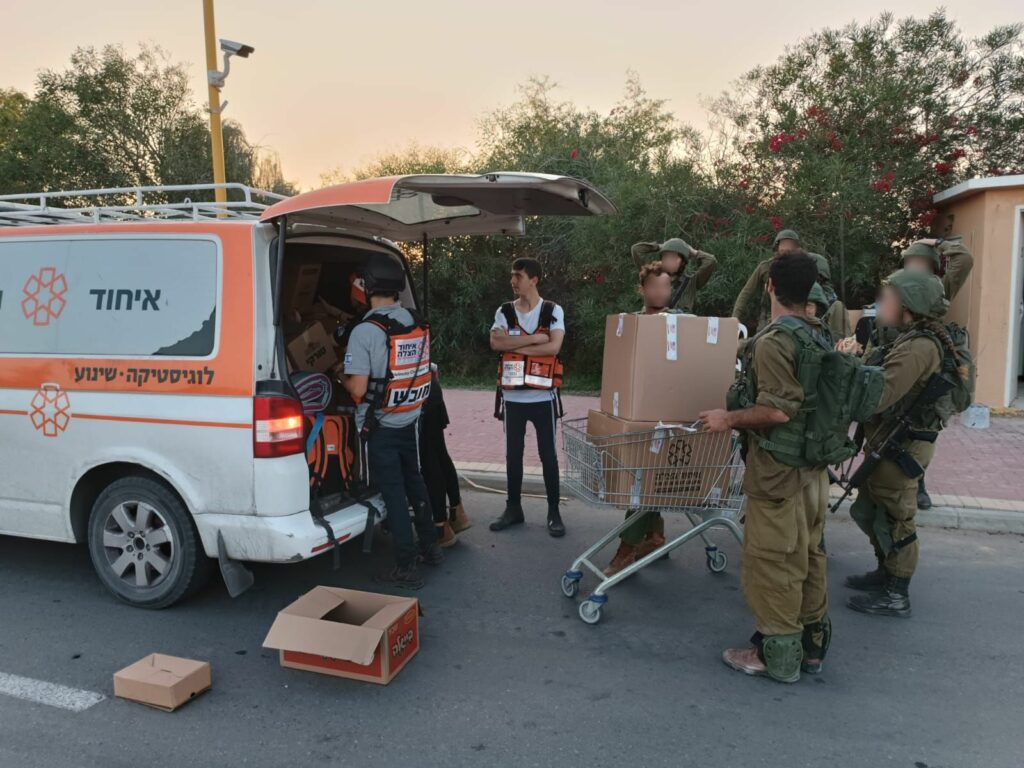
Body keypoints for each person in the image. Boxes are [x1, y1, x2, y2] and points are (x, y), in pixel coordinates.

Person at [700, 250, 830, 684]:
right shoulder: (818, 333)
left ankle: (777, 657)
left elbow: (777, 411)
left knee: (773, 563)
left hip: (779, 473)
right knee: (809, 558)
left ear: (770, 286)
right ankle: (812, 649)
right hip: (812, 471)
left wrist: (729, 419)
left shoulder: (776, 341)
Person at [845, 269, 957, 618]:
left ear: (908, 305)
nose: (882, 303)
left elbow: (879, 395)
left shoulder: (920, 347)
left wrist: (848, 371)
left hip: (902, 447)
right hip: (888, 442)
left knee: (896, 518)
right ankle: (886, 570)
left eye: (889, 297)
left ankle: (897, 592)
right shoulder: (907, 338)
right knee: (867, 511)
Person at [846, 237, 973, 510]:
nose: (914, 266)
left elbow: (964, 260)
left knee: (913, 428)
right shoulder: (897, 291)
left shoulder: (935, 291)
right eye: (910, 262)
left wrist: (938, 242)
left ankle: (916, 483)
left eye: (921, 262)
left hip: (917, 375)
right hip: (891, 372)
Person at [342, 254, 440, 589]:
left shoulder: (364, 332)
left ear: (367, 285)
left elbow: (357, 389)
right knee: (415, 481)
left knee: (394, 493)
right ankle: (430, 546)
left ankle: (406, 564)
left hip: (380, 424)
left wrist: (339, 377)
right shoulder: (416, 321)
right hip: (409, 416)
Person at [603, 261, 677, 575]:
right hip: (635, 413)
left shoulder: (679, 324)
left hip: (666, 414)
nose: (661, 292)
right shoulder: (629, 323)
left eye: (666, 286)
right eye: (655, 286)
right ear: (642, 289)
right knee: (645, 481)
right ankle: (655, 534)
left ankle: (627, 547)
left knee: (643, 484)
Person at [489, 257, 567, 537]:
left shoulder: (552, 310)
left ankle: (554, 511)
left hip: (543, 398)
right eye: (512, 275)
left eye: (518, 276)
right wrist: (535, 340)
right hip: (513, 400)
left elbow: (554, 348)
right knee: (513, 456)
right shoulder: (504, 311)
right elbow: (496, 343)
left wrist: (515, 346)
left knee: (548, 456)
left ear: (534, 279)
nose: (513, 280)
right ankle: (513, 509)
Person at [419, 363, 472, 547]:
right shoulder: (417, 332)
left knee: (429, 462)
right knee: (440, 455)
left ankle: (441, 527)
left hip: (417, 397)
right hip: (430, 389)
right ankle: (458, 514)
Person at [630, 237, 718, 314]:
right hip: (653, 325)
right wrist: (662, 246)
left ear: (682, 262)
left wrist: (693, 252)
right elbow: (636, 250)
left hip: (678, 329)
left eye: (673, 257)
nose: (669, 261)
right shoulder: (652, 275)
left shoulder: (691, 282)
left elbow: (711, 261)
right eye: (666, 256)